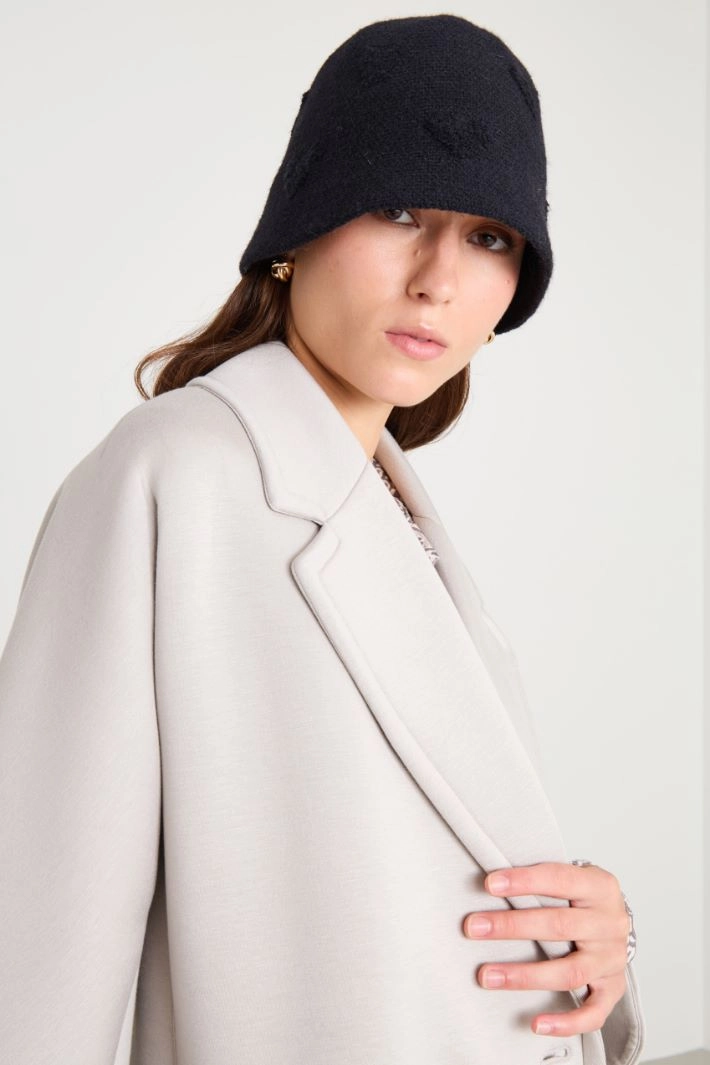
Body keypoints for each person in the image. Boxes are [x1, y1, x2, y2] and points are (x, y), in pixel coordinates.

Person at [0, 14, 645, 1065]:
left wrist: (594, 931)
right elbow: (37, 949)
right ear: (297, 227)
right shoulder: (172, 476)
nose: (438, 278)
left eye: (489, 237)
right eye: (397, 210)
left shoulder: (397, 509)